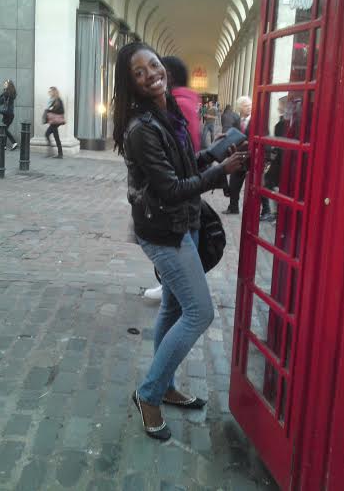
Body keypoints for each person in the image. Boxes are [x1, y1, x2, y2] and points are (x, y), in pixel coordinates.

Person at [112, 42, 245, 441]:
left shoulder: (167, 112)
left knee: (172, 307)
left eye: (153, 65)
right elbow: (170, 189)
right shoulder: (141, 129)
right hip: (164, 233)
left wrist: (215, 154)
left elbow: (184, 168)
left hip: (185, 222)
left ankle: (165, 385)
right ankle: (149, 394)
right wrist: (221, 170)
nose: (151, 74)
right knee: (199, 312)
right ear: (131, 84)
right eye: (139, 73)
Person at [144, 56, 202, 302]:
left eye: (158, 68)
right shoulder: (180, 103)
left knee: (197, 310)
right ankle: (168, 286)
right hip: (178, 199)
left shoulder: (176, 104)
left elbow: (184, 158)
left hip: (178, 202)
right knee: (176, 305)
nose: (153, 76)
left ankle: (168, 285)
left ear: (170, 75)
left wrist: (215, 170)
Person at [222, 95, 252, 214]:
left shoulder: (257, 120)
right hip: (239, 157)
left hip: (251, 158)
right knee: (234, 184)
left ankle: (266, 210)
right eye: (245, 106)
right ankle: (233, 207)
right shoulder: (237, 121)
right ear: (240, 108)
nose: (249, 107)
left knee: (256, 186)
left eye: (250, 105)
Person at [0, 80, 18, 150]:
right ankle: (4, 145)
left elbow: (0, 101)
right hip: (9, 114)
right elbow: (3, 99)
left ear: (9, 85)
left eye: (6, 84)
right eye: (4, 83)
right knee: (4, 129)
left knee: (4, 129)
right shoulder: (11, 93)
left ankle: (14, 142)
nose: (4, 84)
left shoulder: (6, 92)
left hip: (7, 114)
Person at [45, 86, 64, 158]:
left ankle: (52, 152)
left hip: (55, 122)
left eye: (50, 91)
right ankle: (59, 153)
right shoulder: (52, 100)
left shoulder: (58, 100)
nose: (49, 92)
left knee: (47, 134)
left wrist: (51, 110)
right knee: (55, 136)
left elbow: (61, 111)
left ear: (54, 92)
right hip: (54, 121)